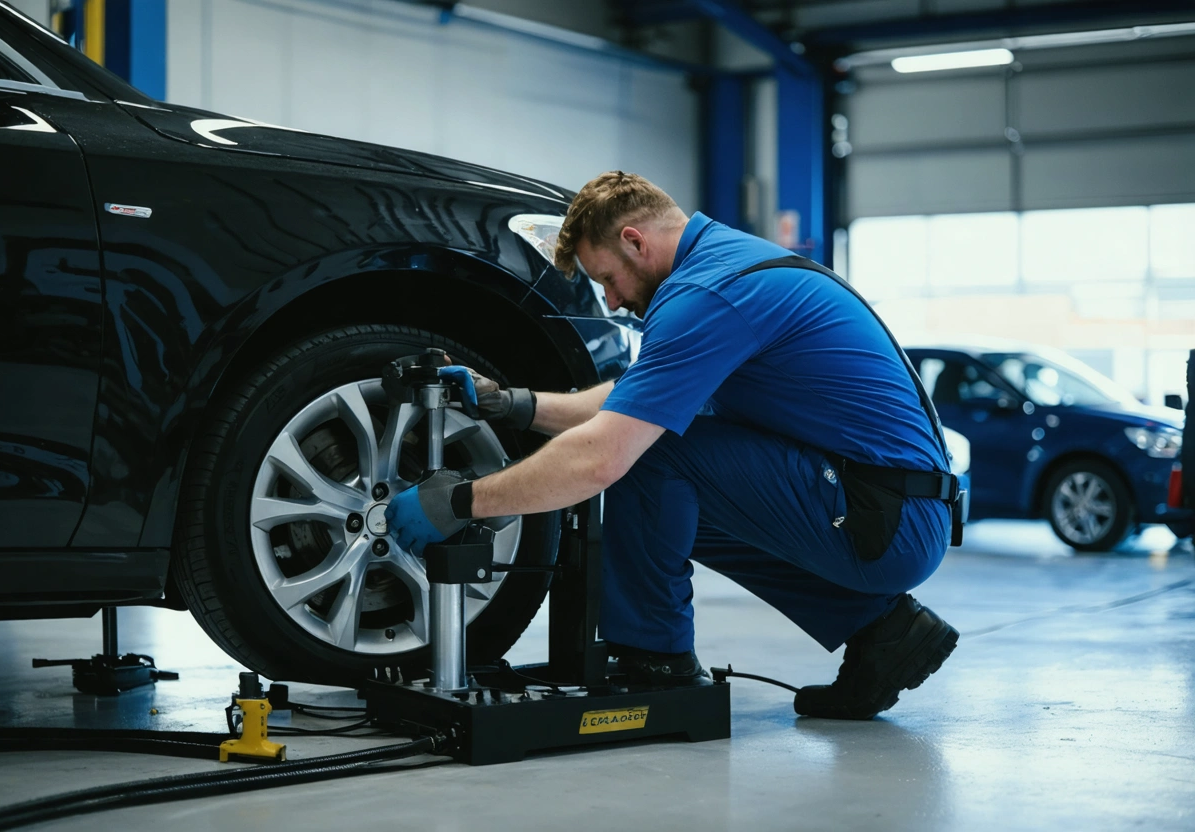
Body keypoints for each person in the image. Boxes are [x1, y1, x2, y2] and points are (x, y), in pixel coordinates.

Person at [386, 171, 959, 720]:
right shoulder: (725, 266)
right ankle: (881, 631)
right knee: (673, 500)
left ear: (635, 242)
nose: (610, 302)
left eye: (607, 278)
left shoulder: (707, 296)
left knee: (652, 456)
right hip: (888, 508)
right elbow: (636, 397)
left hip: (886, 522)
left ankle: (655, 658)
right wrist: (512, 403)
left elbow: (603, 454)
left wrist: (458, 502)